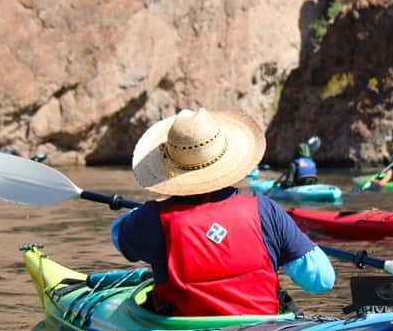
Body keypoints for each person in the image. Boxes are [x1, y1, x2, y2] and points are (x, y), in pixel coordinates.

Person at [111, 108, 335, 317]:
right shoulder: (265, 210)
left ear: (169, 167)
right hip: (262, 328)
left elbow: (118, 236)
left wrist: (147, 212)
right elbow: (322, 280)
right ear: (226, 158)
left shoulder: (152, 219)